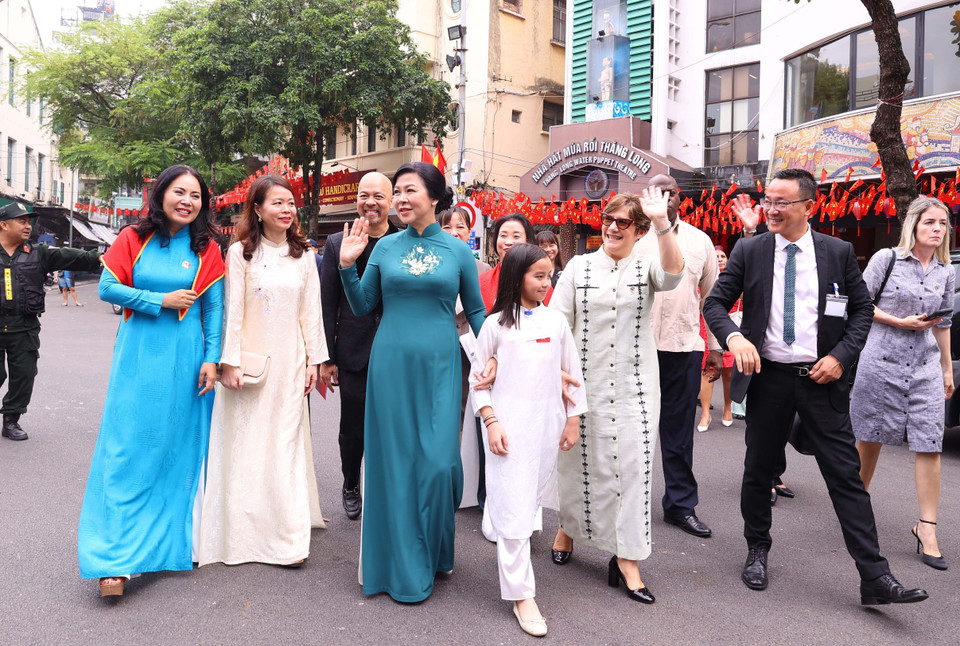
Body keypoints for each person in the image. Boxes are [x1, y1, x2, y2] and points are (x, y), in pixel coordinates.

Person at [704, 167, 928, 605]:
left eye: (781, 202)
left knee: (846, 477)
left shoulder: (837, 252)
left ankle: (875, 577)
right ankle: (757, 549)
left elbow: (862, 312)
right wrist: (735, 337)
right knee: (758, 469)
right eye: (768, 200)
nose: (770, 209)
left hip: (821, 381)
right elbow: (715, 302)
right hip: (768, 379)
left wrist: (841, 358)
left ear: (809, 206)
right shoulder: (750, 250)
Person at [338, 161, 487, 602]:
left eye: (409, 191)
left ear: (436, 197)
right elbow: (364, 305)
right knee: (394, 466)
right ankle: (399, 566)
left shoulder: (459, 251)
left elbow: (477, 312)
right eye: (397, 192)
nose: (400, 199)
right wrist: (348, 266)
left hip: (441, 368)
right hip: (390, 366)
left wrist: (496, 356)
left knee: (441, 466)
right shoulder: (384, 247)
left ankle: (437, 547)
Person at [77, 165, 224, 596]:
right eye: (179, 192)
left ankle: (167, 545)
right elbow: (107, 287)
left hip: (187, 359)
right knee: (126, 450)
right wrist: (158, 300)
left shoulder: (205, 247)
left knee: (175, 449)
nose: (187, 201)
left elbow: (213, 309)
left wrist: (212, 359)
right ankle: (114, 560)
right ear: (160, 195)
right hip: (138, 358)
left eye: (195, 196)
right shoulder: (132, 238)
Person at [550, 189, 684, 604]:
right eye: (607, 219)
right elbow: (557, 319)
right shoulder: (578, 265)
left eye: (622, 222)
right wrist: (555, 370)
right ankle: (567, 529)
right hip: (582, 382)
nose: (611, 227)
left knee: (632, 471)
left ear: (639, 230)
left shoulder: (649, 263)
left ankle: (627, 559)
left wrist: (663, 223)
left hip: (635, 387)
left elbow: (675, 274)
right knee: (577, 462)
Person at [198, 174, 327, 568]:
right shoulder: (239, 253)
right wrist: (229, 362)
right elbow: (232, 310)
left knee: (285, 444)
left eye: (291, 203)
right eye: (278, 203)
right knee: (247, 444)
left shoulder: (304, 254)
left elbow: (311, 313)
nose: (287, 210)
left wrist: (314, 362)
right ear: (257, 209)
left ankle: (287, 540)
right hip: (250, 365)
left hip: (290, 363)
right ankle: (244, 531)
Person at [471, 243, 586, 636]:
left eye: (549, 273)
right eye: (538, 275)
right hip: (509, 431)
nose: (546, 281)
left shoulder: (555, 322)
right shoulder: (494, 326)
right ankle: (522, 596)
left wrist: (572, 421)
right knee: (516, 511)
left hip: (547, 430)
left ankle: (503, 530)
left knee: (529, 502)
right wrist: (491, 422)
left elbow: (572, 374)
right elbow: (477, 383)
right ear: (516, 276)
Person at [851, 195, 954, 571]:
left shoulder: (945, 270)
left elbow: (943, 324)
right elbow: (859, 302)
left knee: (930, 441)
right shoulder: (886, 259)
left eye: (942, 224)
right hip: (881, 360)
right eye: (930, 223)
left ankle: (927, 528)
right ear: (913, 225)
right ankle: (856, 510)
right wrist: (899, 322)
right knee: (871, 437)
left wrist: (946, 369)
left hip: (925, 365)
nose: (937, 230)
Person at [634, 174, 722, 539]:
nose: (663, 198)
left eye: (668, 192)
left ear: (680, 198)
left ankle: (680, 506)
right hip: (634, 350)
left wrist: (715, 347)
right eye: (655, 192)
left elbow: (712, 299)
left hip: (683, 349)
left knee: (677, 434)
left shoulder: (700, 241)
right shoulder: (631, 237)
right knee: (628, 432)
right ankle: (625, 508)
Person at [320, 172, 398, 520]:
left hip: (396, 350)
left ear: (392, 200)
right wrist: (328, 357)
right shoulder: (337, 243)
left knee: (393, 426)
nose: (371, 202)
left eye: (379, 196)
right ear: (356, 200)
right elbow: (327, 302)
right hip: (354, 350)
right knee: (352, 429)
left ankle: (386, 489)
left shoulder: (404, 241)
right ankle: (351, 483)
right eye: (364, 195)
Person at [0, 204, 101, 442]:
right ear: (3, 224)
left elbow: (75, 257)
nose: (28, 226)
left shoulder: (39, 252)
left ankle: (11, 420)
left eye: (29, 221)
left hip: (24, 328)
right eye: (22, 221)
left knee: (24, 375)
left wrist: (100, 259)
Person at [439, 206, 490, 510]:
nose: (455, 232)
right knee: (450, 416)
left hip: (476, 349)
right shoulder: (432, 265)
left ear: (470, 233)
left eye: (460, 227)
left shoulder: (483, 269)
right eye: (447, 227)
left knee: (478, 415)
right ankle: (449, 481)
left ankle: (477, 484)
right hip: (446, 347)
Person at [697, 246, 736, 431]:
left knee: (728, 372)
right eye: (716, 256)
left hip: (729, 328)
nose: (719, 259)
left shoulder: (734, 277)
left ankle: (727, 408)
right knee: (707, 372)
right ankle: (705, 413)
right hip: (707, 329)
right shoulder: (703, 276)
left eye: (722, 256)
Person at [478, 214, 549, 312]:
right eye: (503, 236)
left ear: (528, 241)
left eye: (516, 236)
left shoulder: (541, 281)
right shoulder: (482, 281)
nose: (508, 242)